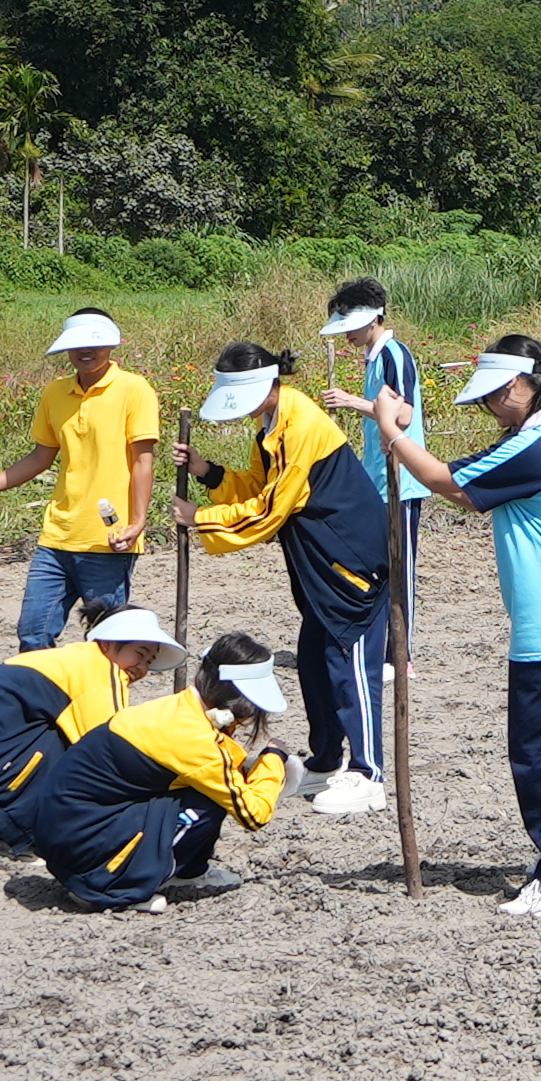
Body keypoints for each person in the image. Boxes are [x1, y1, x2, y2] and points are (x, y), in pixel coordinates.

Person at [372, 336, 541, 918]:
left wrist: (392, 431)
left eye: (488, 400)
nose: (485, 410)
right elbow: (469, 491)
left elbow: (448, 483)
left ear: (514, 389)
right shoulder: (538, 432)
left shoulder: (535, 442)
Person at [186, 342, 396, 824]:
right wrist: (209, 472)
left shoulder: (298, 423)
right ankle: (326, 760)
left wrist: (201, 518)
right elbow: (260, 487)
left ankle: (368, 774)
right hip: (316, 559)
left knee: (350, 665)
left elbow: (271, 509)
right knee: (314, 661)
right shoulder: (269, 425)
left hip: (351, 560)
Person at [21, 633, 294, 912]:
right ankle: (110, 885)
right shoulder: (194, 737)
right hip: (82, 841)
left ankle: (184, 873)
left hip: (64, 826)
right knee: (210, 802)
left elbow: (215, 762)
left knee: (207, 788)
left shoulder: (178, 708)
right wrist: (274, 759)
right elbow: (253, 813)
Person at [0, 309, 156, 654]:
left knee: (105, 641)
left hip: (107, 541)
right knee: (33, 635)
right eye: (76, 346)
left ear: (111, 345)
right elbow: (39, 458)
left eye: (94, 345)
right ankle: (40, 705)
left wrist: (137, 522)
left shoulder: (134, 390)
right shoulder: (55, 393)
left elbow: (142, 460)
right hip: (58, 535)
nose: (85, 352)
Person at [0, 606, 184, 854]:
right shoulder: (100, 672)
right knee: (72, 752)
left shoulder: (68, 658)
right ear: (109, 643)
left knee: (52, 733)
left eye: (149, 661)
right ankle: (29, 835)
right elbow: (110, 748)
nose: (142, 667)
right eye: (139, 653)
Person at [316, 278, 429, 692]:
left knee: (401, 568)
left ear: (375, 318)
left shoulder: (395, 355)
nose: (347, 333)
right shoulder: (373, 356)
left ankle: (403, 656)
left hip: (402, 480)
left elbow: (401, 415)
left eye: (351, 322)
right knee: (382, 564)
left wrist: (352, 402)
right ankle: (384, 647)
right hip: (378, 478)